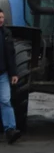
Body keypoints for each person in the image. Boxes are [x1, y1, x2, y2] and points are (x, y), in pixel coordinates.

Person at [0, 10, 22, 144]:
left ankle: (10, 130)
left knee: (5, 101)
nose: (1, 20)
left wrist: (14, 73)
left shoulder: (6, 34)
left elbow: (11, 56)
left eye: (2, 17)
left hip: (2, 74)